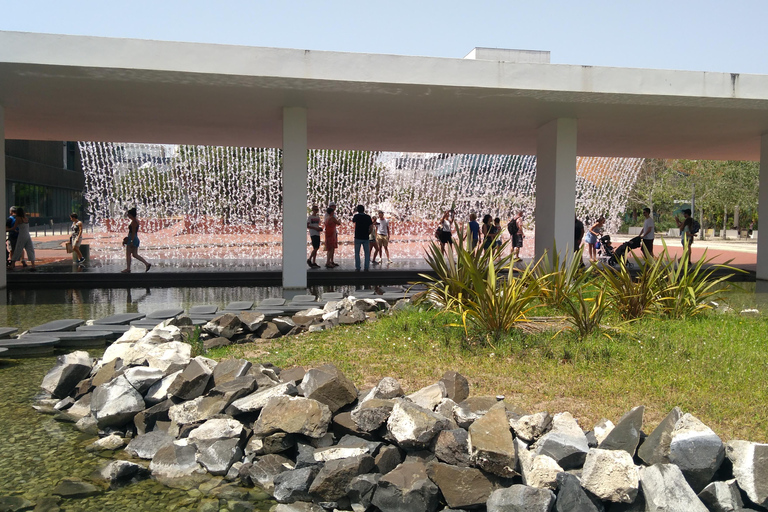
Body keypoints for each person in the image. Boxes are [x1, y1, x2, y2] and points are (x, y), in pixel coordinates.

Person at [123, 207, 151, 273]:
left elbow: (132, 232)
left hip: (133, 238)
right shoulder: (135, 221)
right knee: (135, 254)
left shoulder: (134, 222)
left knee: (128, 254)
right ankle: (147, 264)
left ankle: (128, 269)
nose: (127, 216)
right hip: (134, 238)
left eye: (128, 214)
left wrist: (131, 241)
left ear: (131, 215)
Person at [352, 205, 374, 271]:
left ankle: (358, 267)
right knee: (367, 253)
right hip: (365, 237)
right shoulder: (368, 217)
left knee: (357, 253)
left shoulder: (356, 216)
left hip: (358, 237)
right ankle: (366, 267)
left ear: (358, 210)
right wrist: (368, 233)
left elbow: (353, 221)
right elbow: (371, 227)